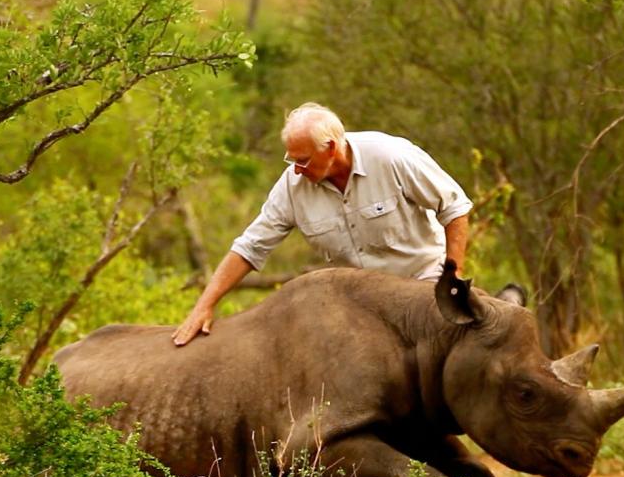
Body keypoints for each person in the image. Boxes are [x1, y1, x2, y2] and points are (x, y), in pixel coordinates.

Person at [172, 102, 472, 346]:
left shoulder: (391, 156)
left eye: (302, 160)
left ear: (330, 148)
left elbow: (454, 207)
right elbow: (251, 247)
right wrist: (205, 304)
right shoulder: (292, 185)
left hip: (422, 288)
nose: (296, 170)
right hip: (362, 310)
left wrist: (453, 276)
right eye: (291, 161)